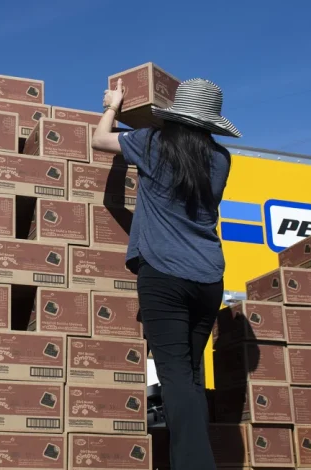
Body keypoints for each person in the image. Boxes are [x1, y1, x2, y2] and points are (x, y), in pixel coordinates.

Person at [91, 78, 240, 470]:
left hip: (165, 274)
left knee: (175, 377)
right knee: (189, 377)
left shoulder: (153, 144)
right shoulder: (221, 159)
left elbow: (101, 140)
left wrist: (113, 106)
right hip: (209, 277)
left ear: (177, 115)